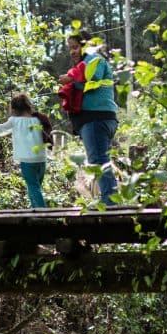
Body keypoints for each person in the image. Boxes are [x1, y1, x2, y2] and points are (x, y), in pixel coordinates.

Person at [58, 31, 119, 205]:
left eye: (76, 47)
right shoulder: (86, 63)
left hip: (96, 118)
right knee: (97, 160)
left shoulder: (94, 58)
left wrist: (70, 80)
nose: (72, 52)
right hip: (94, 120)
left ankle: (110, 203)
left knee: (99, 160)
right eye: (70, 48)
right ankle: (108, 200)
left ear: (86, 45)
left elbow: (93, 78)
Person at [0, 93, 49, 208]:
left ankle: (43, 213)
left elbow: (0, 129)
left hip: (27, 161)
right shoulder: (39, 119)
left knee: (33, 187)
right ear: (28, 106)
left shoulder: (14, 121)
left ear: (14, 109)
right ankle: (35, 210)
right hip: (41, 159)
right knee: (36, 187)